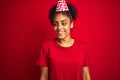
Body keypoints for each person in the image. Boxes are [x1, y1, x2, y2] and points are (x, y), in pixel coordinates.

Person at [36, 0, 91, 80]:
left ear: (71, 24)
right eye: (55, 24)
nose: (59, 28)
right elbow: (44, 77)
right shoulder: (46, 47)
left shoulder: (83, 47)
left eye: (64, 23)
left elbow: (86, 76)